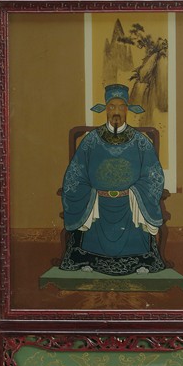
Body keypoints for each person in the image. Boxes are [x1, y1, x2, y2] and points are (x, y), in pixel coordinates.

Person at [60, 84, 165, 276]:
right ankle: (87, 259)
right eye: (111, 107)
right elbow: (75, 173)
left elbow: (154, 175)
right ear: (105, 109)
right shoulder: (91, 140)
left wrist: (135, 193)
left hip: (130, 203)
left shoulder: (140, 141)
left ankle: (140, 261)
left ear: (128, 109)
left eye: (121, 107)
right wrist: (90, 192)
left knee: (136, 224)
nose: (116, 112)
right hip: (97, 203)